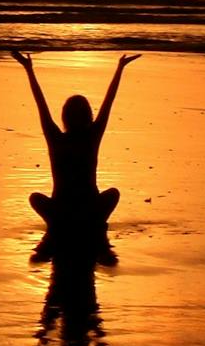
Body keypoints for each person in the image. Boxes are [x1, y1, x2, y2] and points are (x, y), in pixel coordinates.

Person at [12, 49, 140, 237]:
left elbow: (41, 104)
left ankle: (64, 224)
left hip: (61, 212)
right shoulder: (91, 137)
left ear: (65, 116)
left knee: (35, 198)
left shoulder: (57, 138)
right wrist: (119, 68)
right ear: (89, 115)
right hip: (89, 211)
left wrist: (29, 69)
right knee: (113, 194)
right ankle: (89, 223)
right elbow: (108, 102)